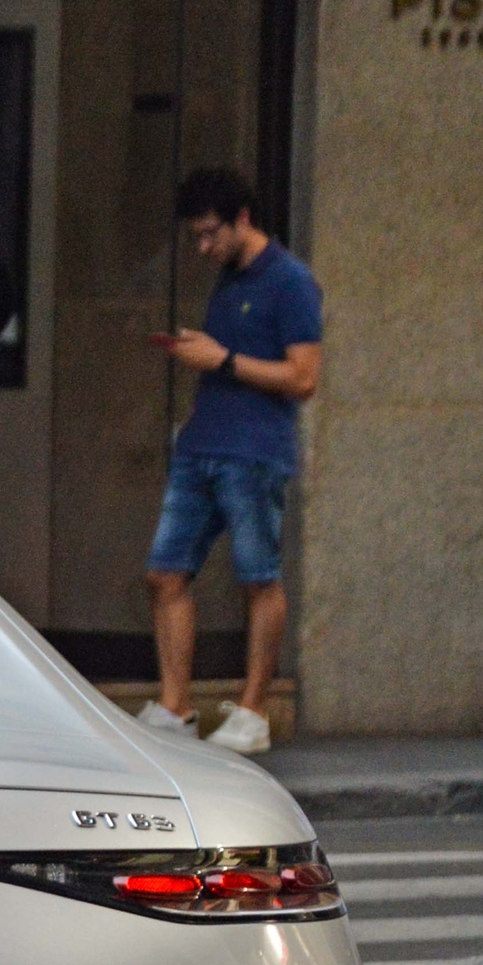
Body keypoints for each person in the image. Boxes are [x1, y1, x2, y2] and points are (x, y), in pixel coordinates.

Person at [136, 167, 323, 755]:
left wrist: (220, 359)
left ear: (244, 219)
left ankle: (252, 711)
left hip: (254, 452)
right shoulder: (228, 278)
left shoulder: (290, 282)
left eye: (211, 233)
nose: (203, 247)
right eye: (196, 235)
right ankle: (174, 706)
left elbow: (303, 377)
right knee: (165, 573)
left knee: (258, 577)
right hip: (202, 446)